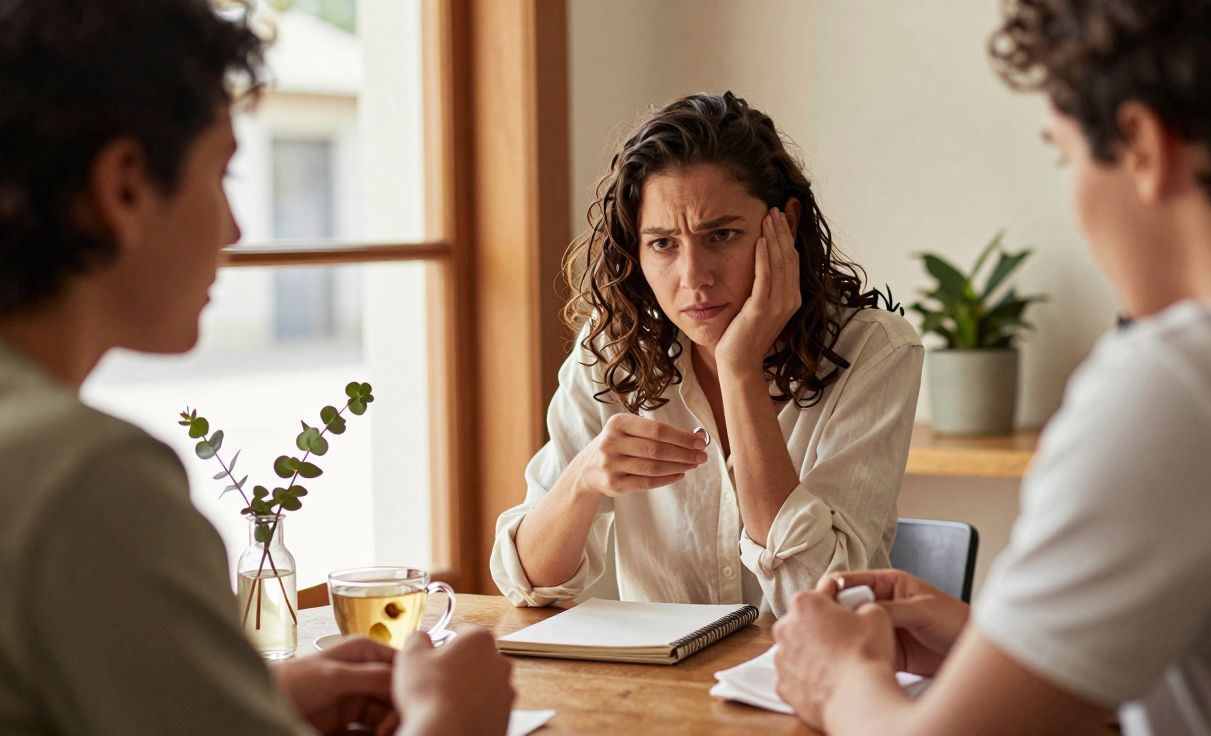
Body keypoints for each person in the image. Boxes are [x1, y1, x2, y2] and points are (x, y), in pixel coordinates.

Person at [772, 1, 1211, 734]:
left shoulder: (1191, 387)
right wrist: (1001, 646)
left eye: (1063, 155)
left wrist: (837, 679)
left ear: (1143, 144)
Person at [0, 1, 512, 734]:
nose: (236, 230)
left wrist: (247, 699)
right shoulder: (88, 481)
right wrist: (451, 721)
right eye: (223, 174)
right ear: (124, 188)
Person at [490, 92, 923, 615]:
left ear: (784, 223)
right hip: (658, 693)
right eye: (664, 244)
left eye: (721, 234)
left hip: (810, 684)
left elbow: (822, 600)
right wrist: (582, 479)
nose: (694, 277)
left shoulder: (875, 352)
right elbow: (529, 585)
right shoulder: (611, 351)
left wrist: (739, 371)